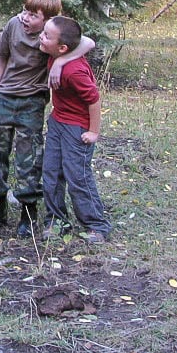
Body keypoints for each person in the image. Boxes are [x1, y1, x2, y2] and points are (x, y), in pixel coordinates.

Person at [0, 0, 94, 237]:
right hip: (5, 97)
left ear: (47, 20)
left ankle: (27, 216)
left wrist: (60, 62)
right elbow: (2, 57)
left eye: (32, 15)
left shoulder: (50, 36)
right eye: (25, 11)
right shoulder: (13, 25)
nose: (25, 17)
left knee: (29, 157)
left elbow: (87, 42)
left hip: (32, 101)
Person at [38, 15, 111, 244]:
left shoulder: (74, 71)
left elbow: (94, 100)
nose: (41, 36)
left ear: (62, 47)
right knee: (51, 173)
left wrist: (94, 132)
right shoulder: (55, 53)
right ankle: (56, 221)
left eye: (46, 35)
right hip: (57, 122)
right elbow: (86, 40)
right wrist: (58, 61)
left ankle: (96, 225)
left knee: (77, 175)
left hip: (76, 128)